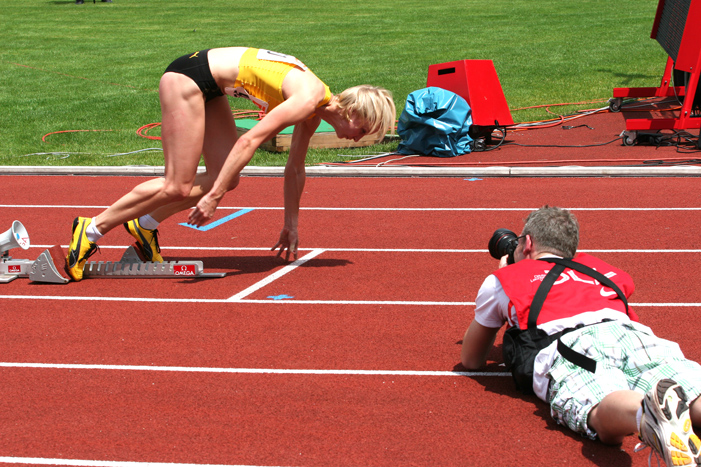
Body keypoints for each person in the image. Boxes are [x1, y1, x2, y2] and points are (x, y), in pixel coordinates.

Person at [65, 47, 396, 281]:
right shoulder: (308, 98)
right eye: (364, 130)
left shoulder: (315, 106)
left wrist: (291, 223)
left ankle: (144, 225)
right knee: (177, 185)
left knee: (225, 177)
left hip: (213, 87)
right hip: (188, 77)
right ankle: (91, 229)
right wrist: (213, 198)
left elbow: (295, 168)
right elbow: (248, 140)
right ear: (353, 113)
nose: (359, 138)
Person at [461, 206, 701, 466]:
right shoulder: (601, 269)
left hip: (573, 345)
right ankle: (683, 407)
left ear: (528, 242)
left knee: (600, 412)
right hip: (631, 333)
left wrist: (505, 273)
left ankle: (646, 413)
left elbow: (472, 359)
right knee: (690, 390)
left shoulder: (505, 279)